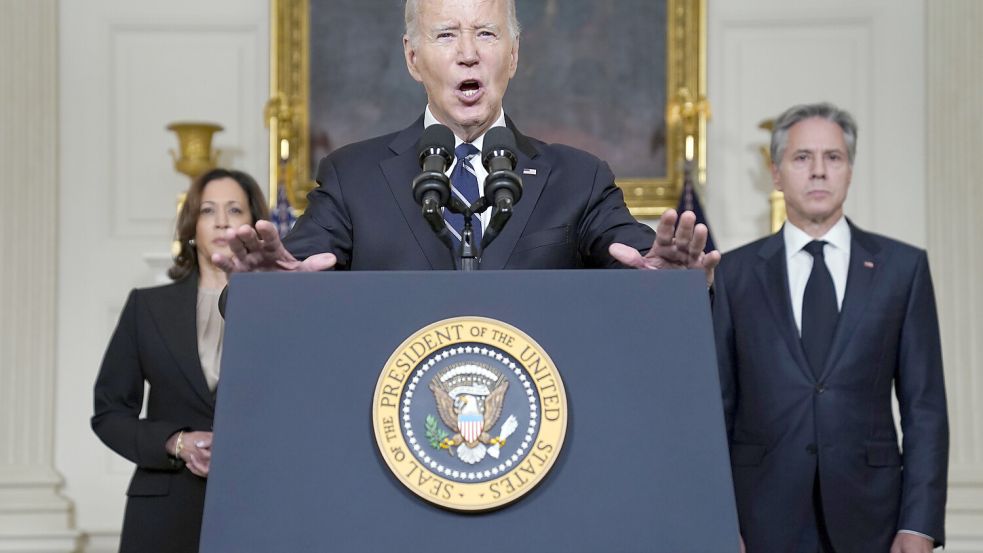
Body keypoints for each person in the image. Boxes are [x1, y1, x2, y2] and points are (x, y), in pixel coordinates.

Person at [212, 0, 720, 283]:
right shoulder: (353, 176)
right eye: (447, 34)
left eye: (487, 33)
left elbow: (638, 262)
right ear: (413, 59)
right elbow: (288, 273)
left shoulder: (579, 178)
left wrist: (667, 280)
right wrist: (263, 288)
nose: (469, 54)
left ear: (514, 55)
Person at [712, 103, 948, 553]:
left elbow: (926, 410)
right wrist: (720, 521)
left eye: (833, 158)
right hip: (760, 521)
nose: (818, 171)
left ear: (850, 170)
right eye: (802, 158)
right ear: (776, 173)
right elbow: (716, 409)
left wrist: (919, 525)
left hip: (873, 522)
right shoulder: (733, 274)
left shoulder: (902, 269)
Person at [92, 168, 270, 553]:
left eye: (235, 209)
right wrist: (175, 442)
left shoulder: (280, 309)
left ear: (253, 223)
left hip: (255, 502)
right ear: (192, 224)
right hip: (163, 510)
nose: (222, 220)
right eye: (208, 210)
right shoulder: (147, 307)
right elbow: (108, 413)